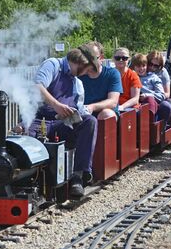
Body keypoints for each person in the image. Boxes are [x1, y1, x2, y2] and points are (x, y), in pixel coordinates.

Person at [28, 46, 99, 196]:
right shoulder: (53, 65)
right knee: (25, 142)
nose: (86, 74)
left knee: (89, 122)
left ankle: (78, 176)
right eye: (86, 70)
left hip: (62, 124)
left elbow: (79, 109)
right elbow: (37, 87)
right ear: (81, 63)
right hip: (40, 119)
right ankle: (27, 182)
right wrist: (56, 105)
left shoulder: (77, 84)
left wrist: (80, 113)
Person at [79, 42, 123, 120]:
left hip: (104, 114)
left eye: (92, 59)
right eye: (86, 59)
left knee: (106, 114)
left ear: (101, 58)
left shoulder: (112, 73)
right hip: (84, 115)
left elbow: (113, 101)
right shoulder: (79, 75)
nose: (88, 63)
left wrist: (92, 107)